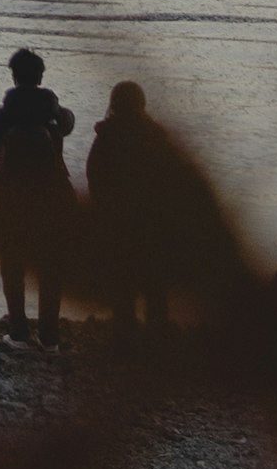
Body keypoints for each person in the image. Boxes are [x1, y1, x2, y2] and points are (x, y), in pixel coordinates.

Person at [79, 81, 231, 335]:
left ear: (114, 104)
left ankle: (125, 337)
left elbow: (94, 176)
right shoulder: (155, 136)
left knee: (122, 285)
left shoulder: (107, 137)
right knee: (155, 285)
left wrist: (103, 210)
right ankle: (155, 336)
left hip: (119, 222)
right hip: (154, 224)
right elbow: (175, 181)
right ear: (142, 104)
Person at [0, 46, 80, 336]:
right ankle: (49, 334)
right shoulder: (54, 115)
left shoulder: (3, 115)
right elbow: (70, 123)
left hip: (11, 199)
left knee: (13, 264)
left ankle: (19, 331)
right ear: (41, 76)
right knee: (51, 265)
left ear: (14, 77)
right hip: (52, 198)